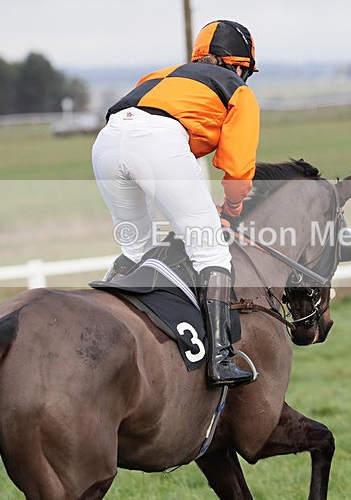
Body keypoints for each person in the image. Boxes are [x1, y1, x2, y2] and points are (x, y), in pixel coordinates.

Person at [91, 20, 259, 387]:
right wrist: (230, 213)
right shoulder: (238, 92)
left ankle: (93, 317)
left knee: (138, 248)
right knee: (211, 251)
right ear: (239, 65)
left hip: (106, 142)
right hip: (158, 142)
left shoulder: (159, 74)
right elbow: (238, 170)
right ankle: (220, 359)